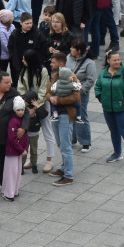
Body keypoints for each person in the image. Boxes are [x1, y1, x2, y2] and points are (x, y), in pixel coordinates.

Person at [94, 50, 124, 169]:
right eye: (114, 60)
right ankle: (117, 153)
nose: (117, 62)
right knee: (114, 131)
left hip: (122, 108)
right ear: (108, 61)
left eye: (118, 59)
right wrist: (101, 98)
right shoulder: (103, 73)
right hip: (107, 108)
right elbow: (97, 86)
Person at [45, 52, 80, 185]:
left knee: (65, 146)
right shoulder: (55, 76)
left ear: (61, 64)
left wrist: (58, 99)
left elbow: (76, 97)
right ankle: (65, 168)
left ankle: (68, 175)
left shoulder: (72, 77)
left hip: (66, 114)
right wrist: (50, 97)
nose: (50, 64)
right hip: (56, 114)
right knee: (60, 143)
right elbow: (48, 92)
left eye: (53, 62)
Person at [1, 97, 29, 201]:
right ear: (14, 110)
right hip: (13, 152)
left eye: (22, 110)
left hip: (17, 151)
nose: (21, 112)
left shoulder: (20, 121)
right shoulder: (13, 121)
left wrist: (24, 148)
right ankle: (9, 193)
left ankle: (12, 191)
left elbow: (25, 137)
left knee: (16, 173)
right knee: (11, 173)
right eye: (18, 110)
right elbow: (11, 139)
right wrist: (23, 149)